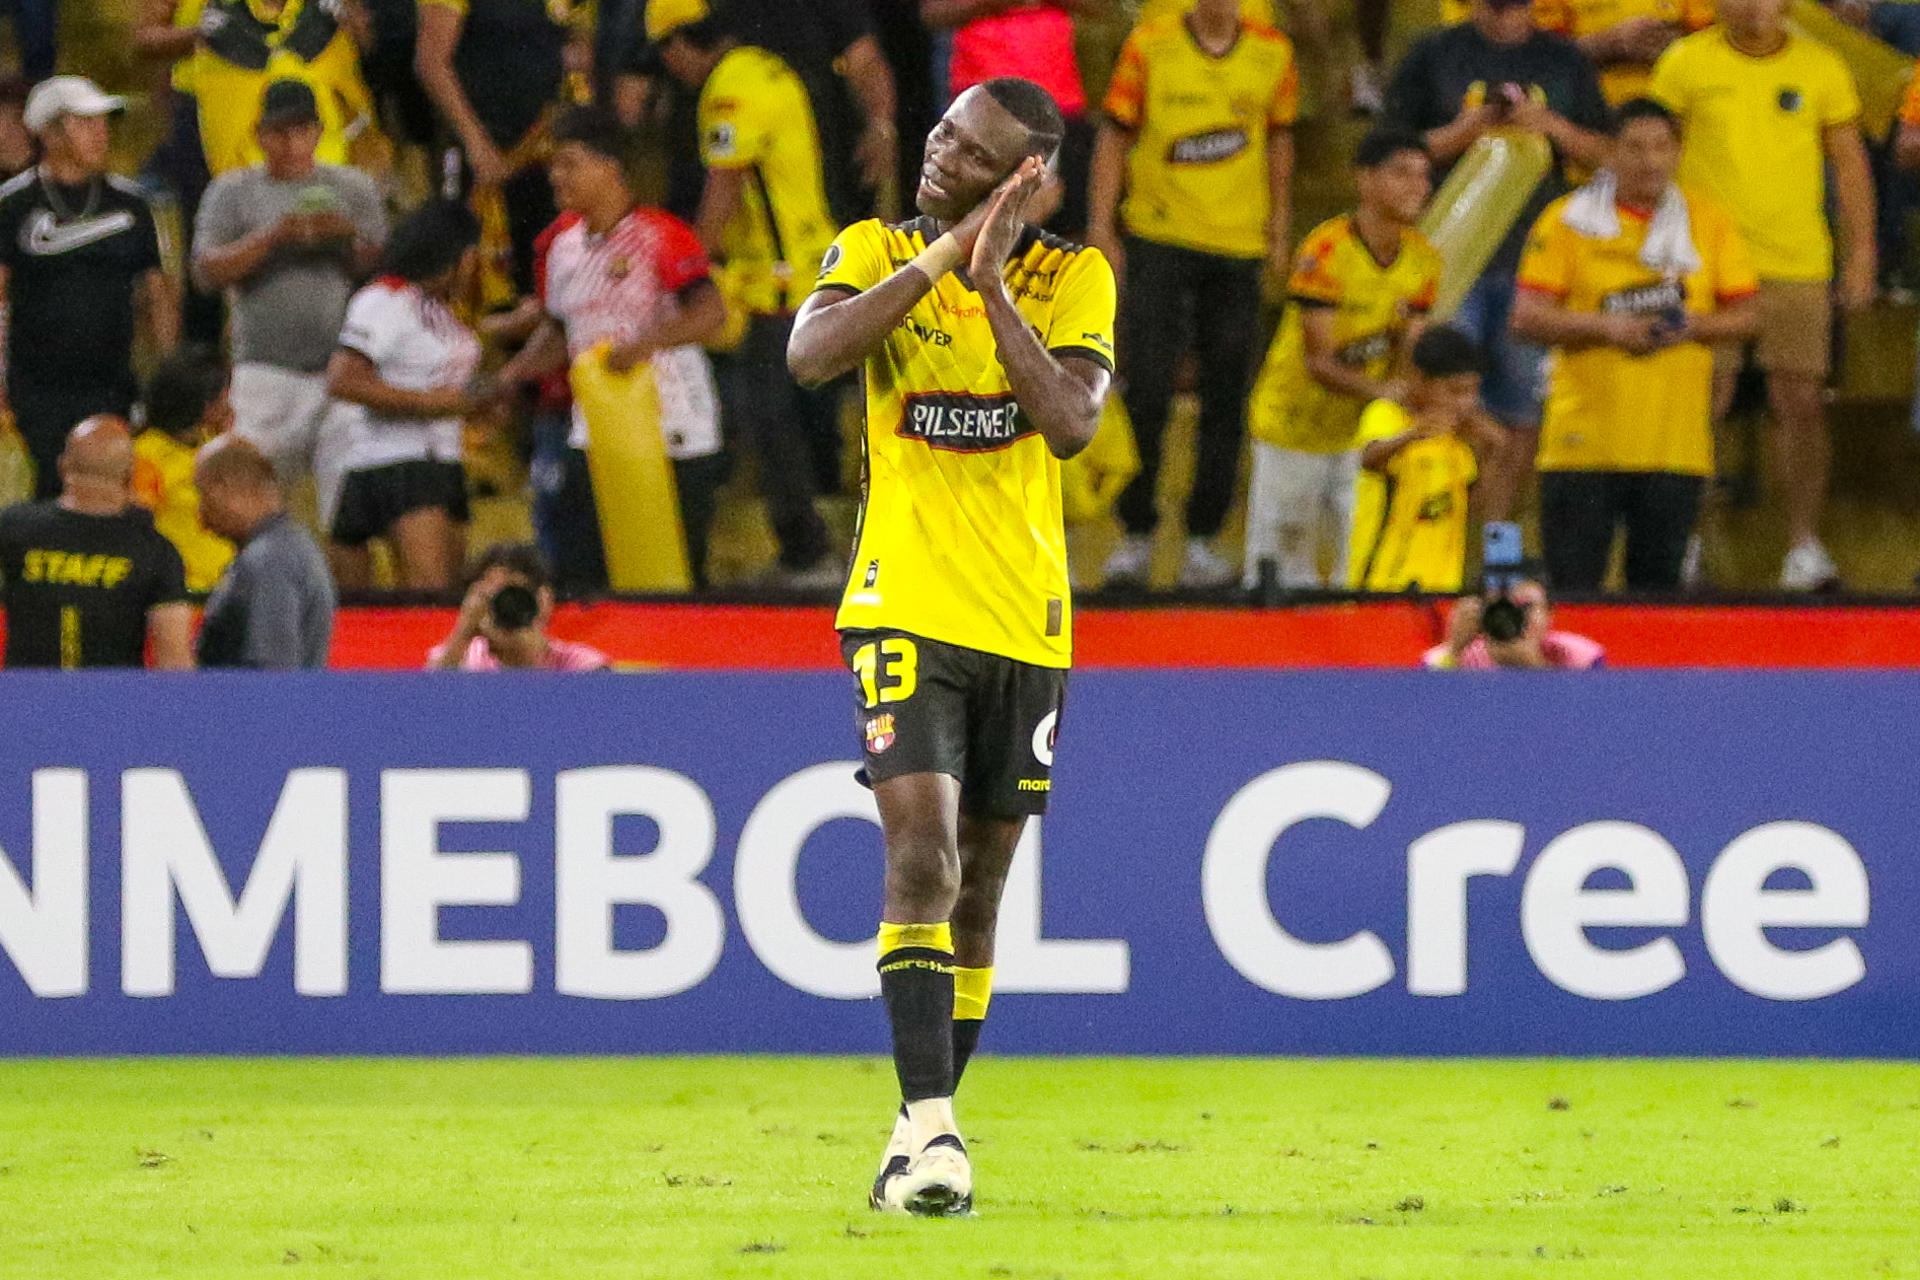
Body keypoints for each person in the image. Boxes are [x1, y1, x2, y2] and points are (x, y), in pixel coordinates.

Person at [789, 78, 1114, 1215]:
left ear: (1026, 178)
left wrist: (989, 283)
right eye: (941, 133)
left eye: (972, 154)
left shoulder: (1073, 276)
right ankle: (937, 1132)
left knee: (978, 894)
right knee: (920, 856)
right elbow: (813, 355)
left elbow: (1070, 423)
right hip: (903, 602)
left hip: (1027, 616)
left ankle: (917, 1134)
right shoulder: (874, 245)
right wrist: (939, 264)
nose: (939, 157)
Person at [1651, 0, 1874, 590]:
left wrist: (1863, 257)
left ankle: (1803, 547)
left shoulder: (1822, 65)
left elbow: (1850, 168)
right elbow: (1652, 158)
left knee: (1800, 405)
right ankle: (1684, 542)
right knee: (1701, 404)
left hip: (1797, 263)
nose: (1753, 5)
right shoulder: (1683, 63)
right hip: (1702, 265)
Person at [1089, 0, 1298, 588]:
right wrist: (1103, 224)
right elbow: (1113, 135)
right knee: (1148, 386)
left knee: (1227, 391)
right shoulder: (1149, 45)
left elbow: (1279, 142)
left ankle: (1204, 538)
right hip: (1159, 237)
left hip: (1237, 246)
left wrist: (1278, 229)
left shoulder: (1272, 51)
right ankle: (1134, 533)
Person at [1512, 98, 1759, 592]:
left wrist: (1690, 326)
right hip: (1582, 446)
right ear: (1610, 152)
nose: (1650, 161)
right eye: (1635, 147)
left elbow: (1748, 315)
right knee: (1574, 595)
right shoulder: (1566, 220)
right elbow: (1526, 316)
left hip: (1675, 448)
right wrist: (1608, 329)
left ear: (1678, 152)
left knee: (1658, 599)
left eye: (1662, 147)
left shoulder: (1708, 222)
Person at [1384, 0, 1610, 513]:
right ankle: (1433, 532)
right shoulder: (1434, 54)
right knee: (1435, 399)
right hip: (1448, 262)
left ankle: (1493, 547)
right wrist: (1464, 131)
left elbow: (1605, 155)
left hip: (1534, 265)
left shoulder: (1565, 60)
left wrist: (1550, 124)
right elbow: (1392, 151)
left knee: (1522, 417)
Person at [650, 0, 841, 585]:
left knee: (765, 415)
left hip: (778, 284)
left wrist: (690, 264)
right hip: (815, 264)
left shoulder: (727, 91)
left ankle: (807, 553)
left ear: (680, 47)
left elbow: (724, 187)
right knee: (795, 412)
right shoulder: (767, 68)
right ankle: (814, 546)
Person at [497, 107, 727, 590]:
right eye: (553, 165)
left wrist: (641, 345)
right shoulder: (561, 246)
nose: (556, 176)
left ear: (611, 166)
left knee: (675, 572)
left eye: (569, 163)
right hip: (596, 426)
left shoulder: (660, 235)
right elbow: (559, 332)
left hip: (673, 427)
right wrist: (510, 377)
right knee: (586, 570)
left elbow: (711, 315)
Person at [1242, 128, 1440, 590]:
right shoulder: (1325, 251)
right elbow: (1320, 362)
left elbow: (1410, 353)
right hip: (1292, 428)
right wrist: (1388, 393)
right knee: (1282, 575)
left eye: (1424, 175)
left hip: (1356, 437)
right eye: (1402, 173)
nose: (1418, 186)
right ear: (1365, 180)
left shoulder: (1424, 260)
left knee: (1352, 572)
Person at [193, 79, 387, 530]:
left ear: (319, 133)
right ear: (260, 135)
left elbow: (382, 268)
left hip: (340, 372)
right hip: (263, 369)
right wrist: (275, 236)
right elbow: (206, 273)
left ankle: (346, 596)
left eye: (303, 131)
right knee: (249, 500)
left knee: (344, 511)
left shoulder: (352, 188)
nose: (292, 143)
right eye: (280, 132)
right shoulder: (233, 191)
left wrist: (341, 236)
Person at [0, 77, 178, 500]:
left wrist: (167, 374)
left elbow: (157, 294)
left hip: (112, 382)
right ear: (50, 132)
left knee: (112, 492)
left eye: (102, 123)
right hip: (37, 385)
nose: (101, 133)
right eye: (86, 123)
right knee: (50, 490)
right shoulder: (13, 206)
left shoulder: (132, 205)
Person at [324, 200, 487, 592]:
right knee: (427, 605)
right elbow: (344, 379)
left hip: (438, 461)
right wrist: (441, 404)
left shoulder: (434, 309)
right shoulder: (386, 299)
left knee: (446, 598)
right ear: (462, 256)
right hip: (398, 465)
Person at [0, 416, 193, 669]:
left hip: (25, 701)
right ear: (129, 474)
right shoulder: (156, 550)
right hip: (115, 703)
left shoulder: (13, 527)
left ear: (62, 466)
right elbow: (174, 659)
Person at [414, 0, 574, 294]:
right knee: (481, 267)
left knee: (547, 262)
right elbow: (432, 62)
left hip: (543, 146)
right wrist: (475, 143)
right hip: (485, 147)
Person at [1350, 327, 1508, 592]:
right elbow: (1369, 459)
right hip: (1385, 583)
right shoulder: (1387, 417)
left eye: (1472, 393)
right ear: (1419, 379)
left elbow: (1475, 506)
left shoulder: (1456, 443)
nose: (1465, 404)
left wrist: (1493, 452)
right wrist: (1412, 435)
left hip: (1443, 584)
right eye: (1455, 391)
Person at [920, 0, 1096, 233]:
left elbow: (1098, 6)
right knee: (972, 223)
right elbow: (932, 13)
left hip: (1057, 100)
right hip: (980, 107)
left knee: (1060, 227)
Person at [179, 0, 377, 178]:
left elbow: (361, 96)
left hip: (327, 156)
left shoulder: (329, 15)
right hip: (251, 168)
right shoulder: (207, 15)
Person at [192, 433, 335, 669]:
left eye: (204, 496)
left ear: (227, 487)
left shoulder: (271, 559)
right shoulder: (287, 548)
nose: (202, 518)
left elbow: (273, 671)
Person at [133, 344, 236, 593]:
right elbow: (136, 529)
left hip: (225, 584)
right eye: (225, 395)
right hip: (180, 590)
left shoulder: (218, 448)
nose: (230, 404)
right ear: (206, 405)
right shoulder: (146, 456)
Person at [427, 541, 610, 669]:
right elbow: (429, 706)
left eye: (514, 594)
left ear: (544, 600)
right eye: (495, 596)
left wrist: (525, 656)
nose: (506, 605)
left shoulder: (583, 665)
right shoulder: (462, 660)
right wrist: (464, 631)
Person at [1425, 575, 1606, 668]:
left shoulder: (1576, 656)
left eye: (1525, 606)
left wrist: (1534, 668)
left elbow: (1587, 718)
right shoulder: (1459, 655)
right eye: (1503, 607)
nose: (1514, 617)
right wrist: (1454, 651)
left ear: (1549, 614)